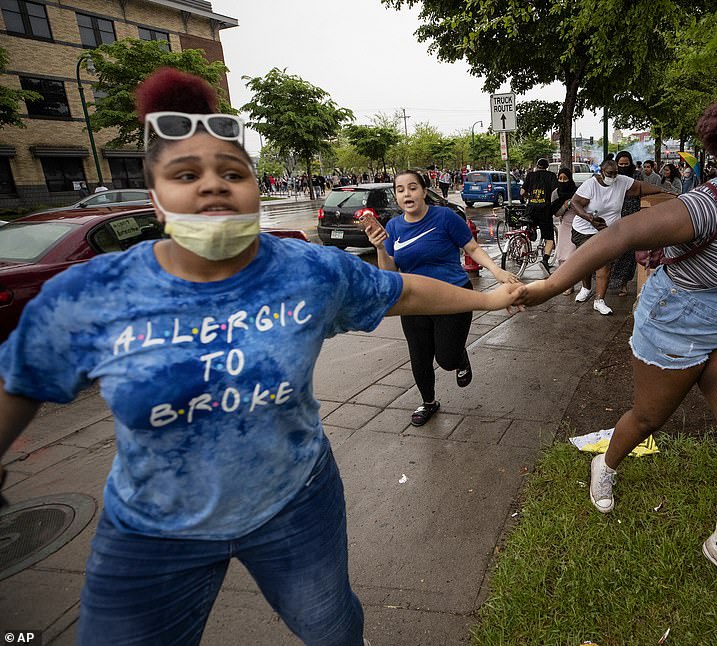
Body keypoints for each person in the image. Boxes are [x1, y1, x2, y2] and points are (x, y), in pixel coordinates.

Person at [0, 68, 524, 646]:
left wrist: (490, 297)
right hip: (153, 532)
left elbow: (404, 293)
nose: (213, 185)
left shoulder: (305, 271)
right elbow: (21, 382)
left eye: (232, 171)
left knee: (334, 630)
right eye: (185, 173)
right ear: (155, 199)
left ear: (253, 187)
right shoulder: (91, 295)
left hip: (297, 503)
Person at [520, 99, 717, 604]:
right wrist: (548, 288)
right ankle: (606, 465)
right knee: (648, 417)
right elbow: (618, 237)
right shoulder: (704, 207)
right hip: (676, 327)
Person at [363, 170, 521, 427]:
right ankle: (428, 402)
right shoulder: (392, 227)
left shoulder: (444, 217)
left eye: (412, 188)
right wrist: (380, 247)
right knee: (420, 357)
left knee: (446, 359)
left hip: (454, 297)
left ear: (424, 191)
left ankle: (459, 358)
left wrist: (497, 271)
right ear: (396, 196)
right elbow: (389, 272)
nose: (407, 194)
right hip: (413, 302)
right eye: (400, 190)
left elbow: (472, 248)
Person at [568, 158, 667, 315]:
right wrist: (589, 217)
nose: (613, 177)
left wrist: (662, 190)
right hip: (585, 229)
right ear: (601, 172)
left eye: (615, 173)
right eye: (610, 173)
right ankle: (586, 288)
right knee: (586, 261)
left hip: (607, 230)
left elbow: (640, 187)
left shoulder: (621, 181)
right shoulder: (591, 185)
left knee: (604, 263)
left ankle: (599, 300)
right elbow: (575, 203)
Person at [609, 151, 642, 297]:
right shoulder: (612, 177)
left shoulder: (637, 176)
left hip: (633, 215)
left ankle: (623, 284)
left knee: (628, 254)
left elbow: (641, 191)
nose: (623, 166)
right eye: (620, 164)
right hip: (615, 216)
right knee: (613, 252)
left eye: (625, 164)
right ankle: (609, 281)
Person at [521, 158, 558, 273]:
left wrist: (529, 198)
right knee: (549, 238)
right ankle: (545, 260)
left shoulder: (530, 175)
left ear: (537, 165)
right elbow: (555, 192)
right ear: (547, 166)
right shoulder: (551, 176)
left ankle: (523, 249)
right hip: (544, 210)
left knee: (527, 230)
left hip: (531, 209)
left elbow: (522, 192)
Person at [549, 167, 578, 294]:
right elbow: (555, 213)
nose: (562, 181)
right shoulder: (556, 193)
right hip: (564, 224)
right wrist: (565, 206)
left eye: (565, 178)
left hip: (578, 223)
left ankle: (575, 283)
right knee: (562, 255)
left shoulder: (577, 191)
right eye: (560, 178)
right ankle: (567, 284)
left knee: (573, 255)